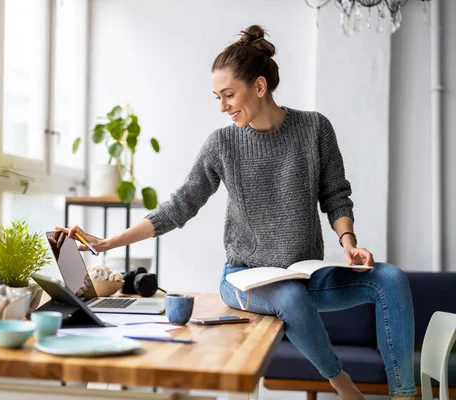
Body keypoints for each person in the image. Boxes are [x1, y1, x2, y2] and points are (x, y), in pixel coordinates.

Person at [55, 25, 415, 400]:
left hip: (303, 275)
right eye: (218, 97)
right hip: (243, 279)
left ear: (259, 87)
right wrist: (109, 242)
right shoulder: (222, 143)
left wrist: (348, 242)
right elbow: (180, 205)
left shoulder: (315, 128)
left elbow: (336, 194)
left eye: (228, 95)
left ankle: (404, 395)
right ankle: (346, 390)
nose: (223, 106)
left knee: (390, 279)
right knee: (290, 297)